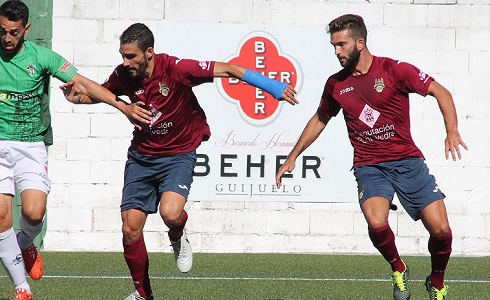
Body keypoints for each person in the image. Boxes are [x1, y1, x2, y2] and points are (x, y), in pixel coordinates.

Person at [62, 23, 298, 300]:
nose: (125, 63)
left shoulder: (177, 69)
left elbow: (230, 69)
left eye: (131, 56)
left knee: (171, 214)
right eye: (122, 56)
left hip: (178, 155)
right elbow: (100, 94)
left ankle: (177, 234)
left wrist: (272, 86)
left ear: (149, 53)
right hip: (142, 157)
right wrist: (79, 98)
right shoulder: (124, 75)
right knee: (130, 228)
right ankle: (143, 294)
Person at [0, 1, 143, 299]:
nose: (8, 38)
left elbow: (83, 82)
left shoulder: (42, 58)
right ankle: (22, 288)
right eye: (4, 31)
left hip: (31, 146)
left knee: (34, 213)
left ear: (26, 29)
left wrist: (122, 107)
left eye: (15, 32)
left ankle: (26, 243)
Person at [275, 14, 467, 300]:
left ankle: (437, 281)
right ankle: (398, 268)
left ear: (360, 43)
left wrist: (451, 131)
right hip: (369, 165)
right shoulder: (335, 84)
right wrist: (293, 156)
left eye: (341, 45)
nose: (336, 51)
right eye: (333, 45)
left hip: (407, 161)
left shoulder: (393, 70)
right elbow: (320, 119)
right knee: (376, 221)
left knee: (441, 230)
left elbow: (442, 92)